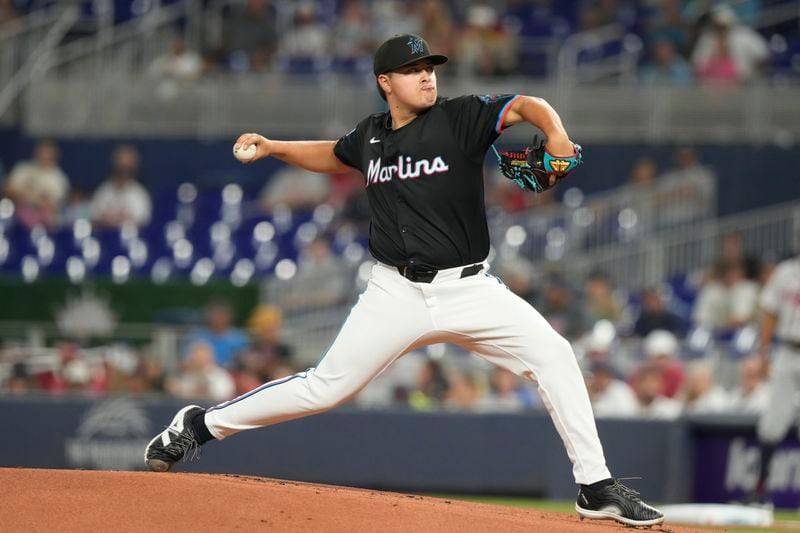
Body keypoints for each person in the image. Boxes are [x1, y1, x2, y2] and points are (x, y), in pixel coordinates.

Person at [144, 34, 663, 527]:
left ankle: (595, 487)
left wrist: (557, 136)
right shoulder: (370, 135)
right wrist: (276, 147)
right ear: (385, 82)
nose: (426, 77)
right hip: (395, 292)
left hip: (468, 288)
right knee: (324, 389)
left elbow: (528, 104)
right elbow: (334, 154)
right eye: (412, 71)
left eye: (429, 68)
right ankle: (200, 426)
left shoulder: (462, 116)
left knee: (555, 355)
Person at [750, 254, 800, 504]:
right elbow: (769, 312)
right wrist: (764, 352)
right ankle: (760, 489)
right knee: (772, 423)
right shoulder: (786, 272)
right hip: (788, 350)